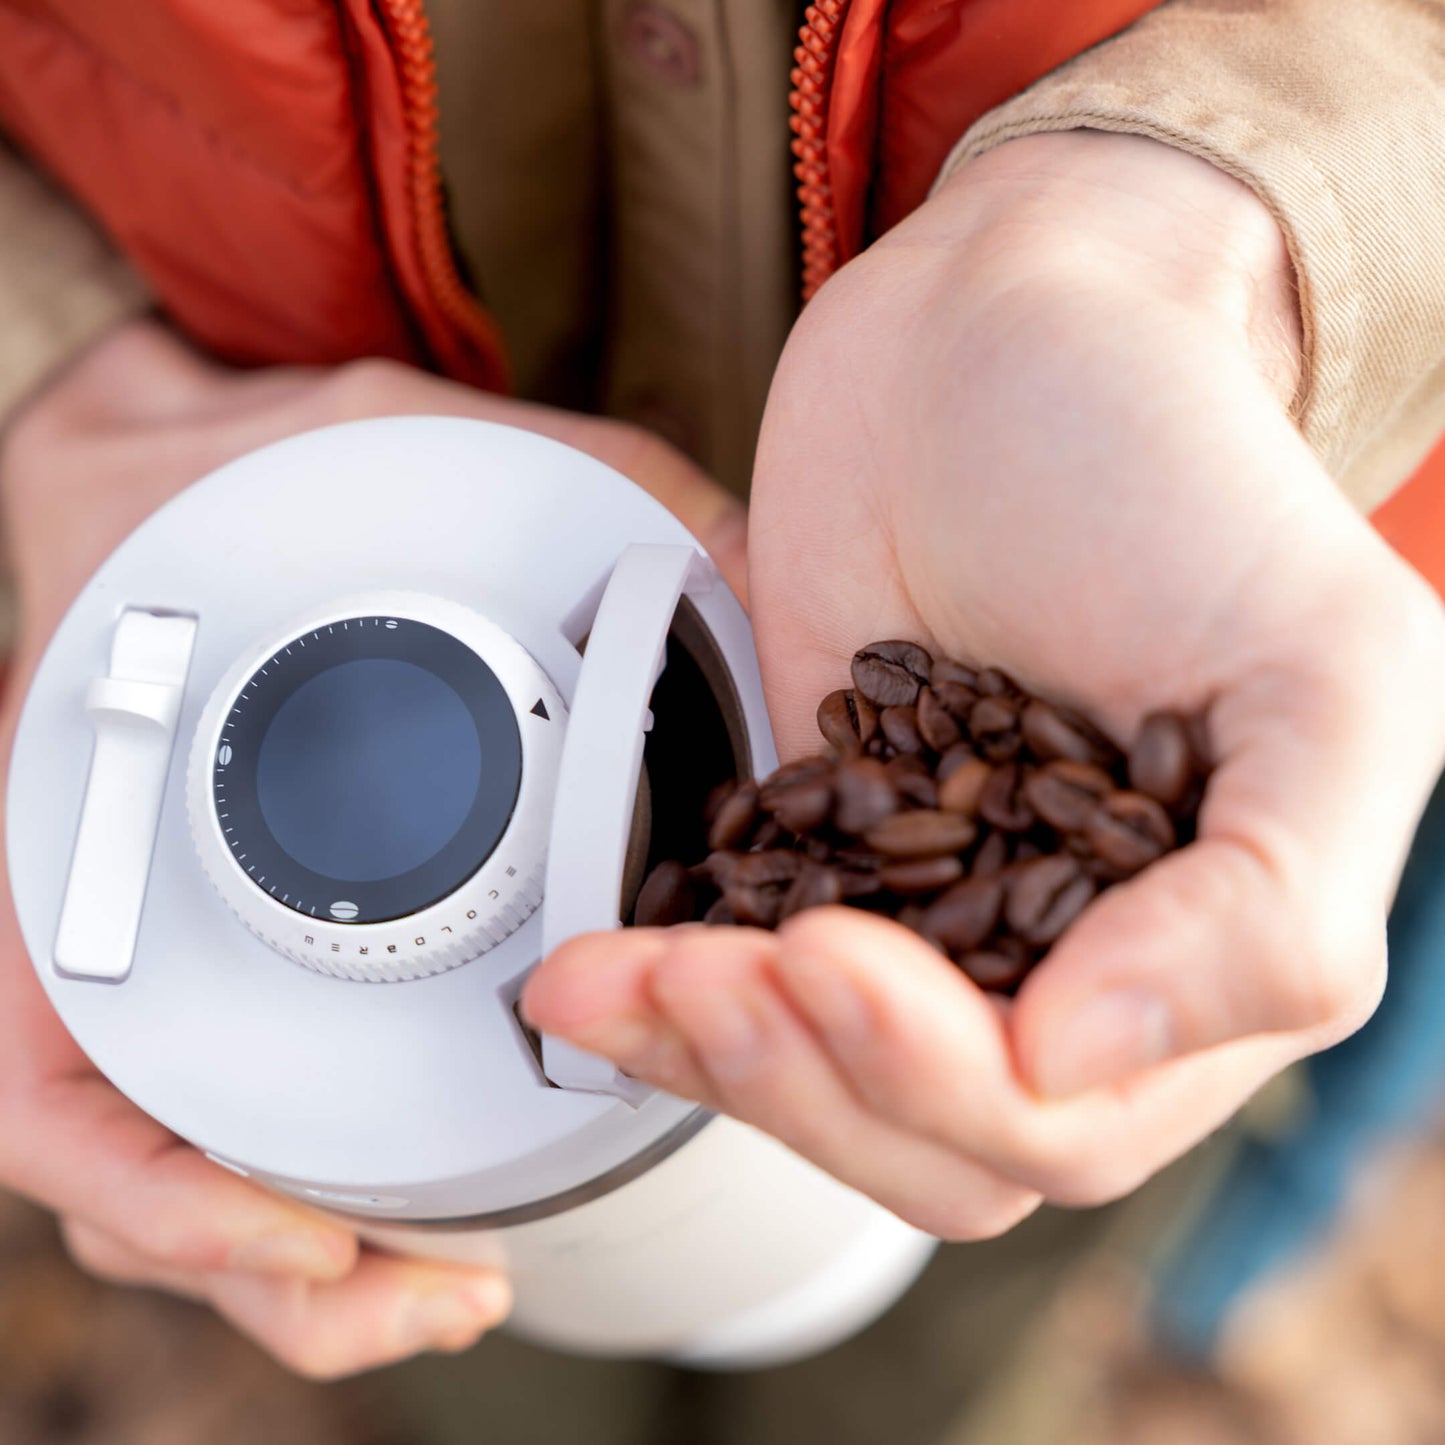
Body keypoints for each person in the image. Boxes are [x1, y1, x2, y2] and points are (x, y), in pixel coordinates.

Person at [2, 0, 1445, 1383]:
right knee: (521, 1343)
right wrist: (53, 383)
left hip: (1121, 609)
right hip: (216, 556)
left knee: (961, 1303)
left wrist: (1190, 237)